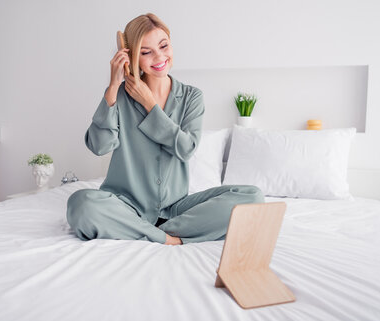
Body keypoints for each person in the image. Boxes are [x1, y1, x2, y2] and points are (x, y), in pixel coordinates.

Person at [67, 13, 264, 245]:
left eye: (164, 46)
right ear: (131, 57)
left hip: (176, 208)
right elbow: (100, 147)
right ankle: (167, 238)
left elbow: (186, 148)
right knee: (80, 204)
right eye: (146, 52)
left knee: (253, 197)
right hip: (125, 204)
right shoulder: (119, 96)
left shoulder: (191, 97)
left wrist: (150, 105)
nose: (159, 57)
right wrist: (112, 87)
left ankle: (145, 231)